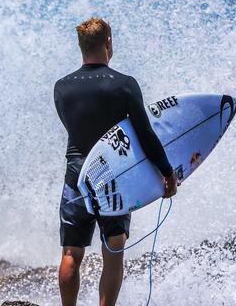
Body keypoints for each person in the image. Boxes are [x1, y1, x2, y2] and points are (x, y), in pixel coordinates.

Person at [54, 17, 178, 306]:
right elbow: (145, 134)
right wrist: (166, 172)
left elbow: (73, 128)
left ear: (80, 45)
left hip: (76, 175)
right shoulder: (123, 85)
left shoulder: (62, 87)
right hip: (113, 175)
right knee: (113, 250)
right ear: (108, 42)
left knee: (71, 252)